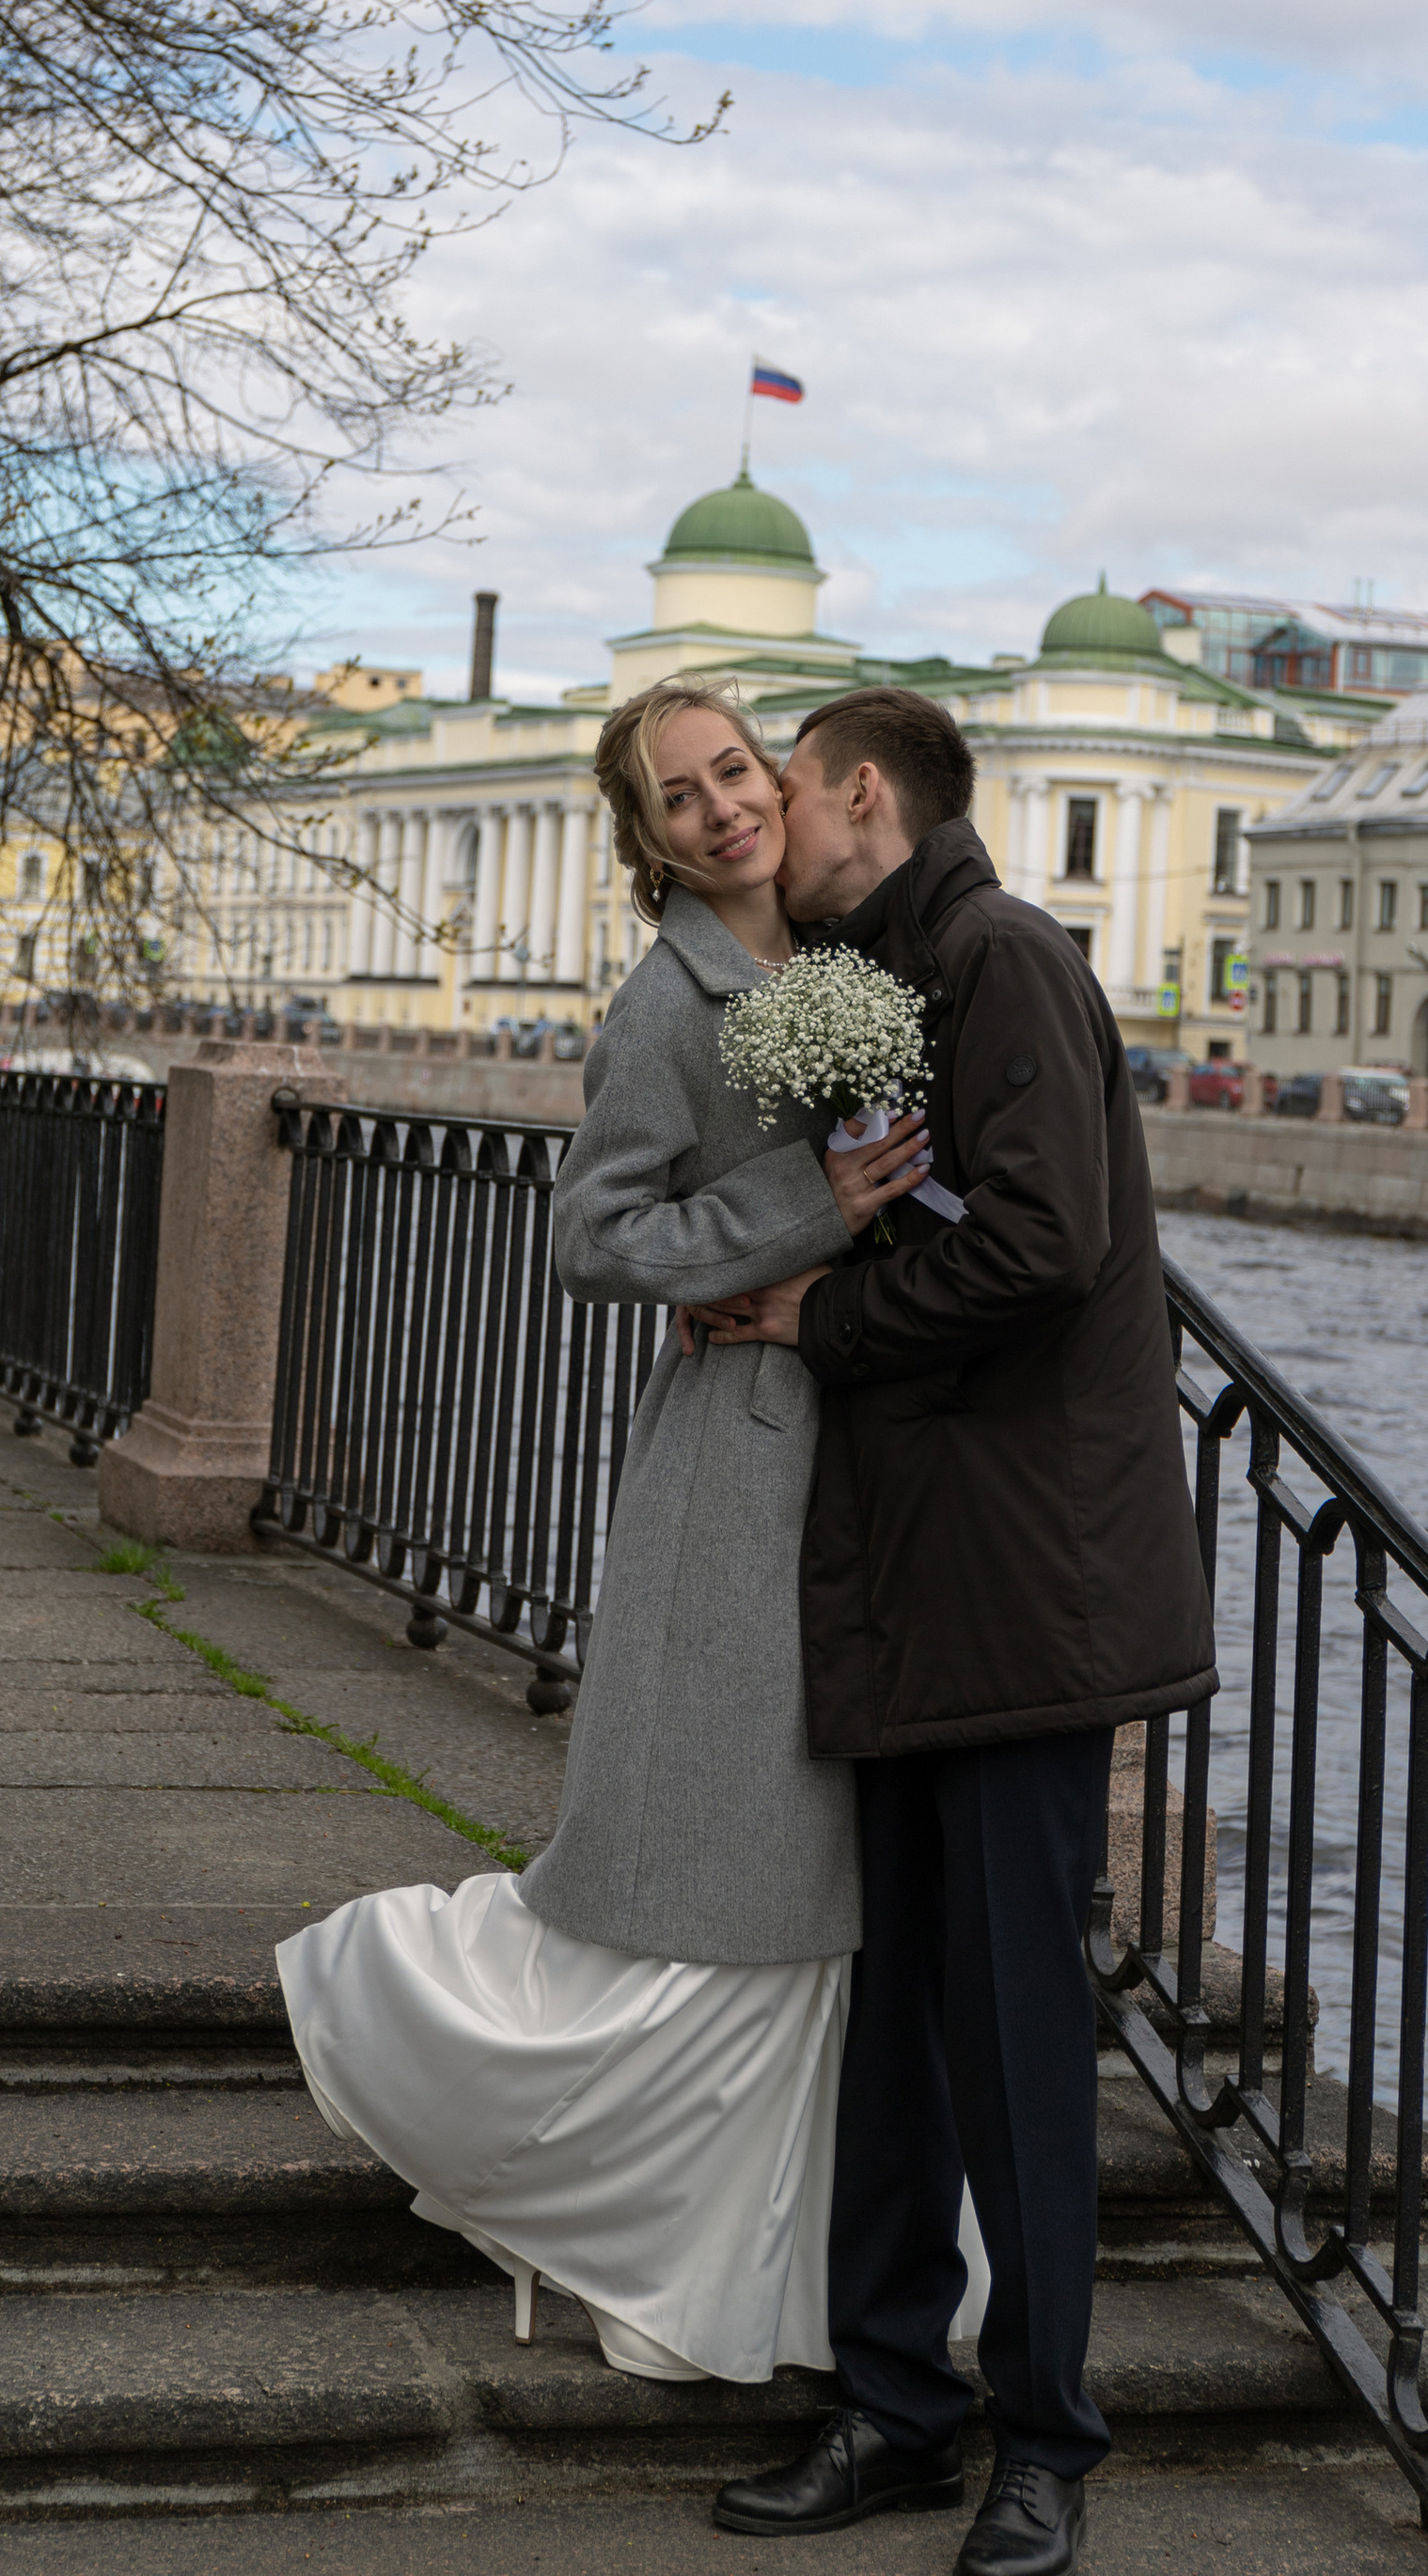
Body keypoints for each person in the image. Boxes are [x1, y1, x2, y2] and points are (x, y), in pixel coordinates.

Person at [275, 677, 932, 2385]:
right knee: (732, 1858)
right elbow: (590, 1237)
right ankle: (523, 2110)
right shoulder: (669, 999)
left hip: (863, 1444)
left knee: (813, 1875)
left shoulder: (851, 963)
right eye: (681, 798)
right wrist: (803, 1209)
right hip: (742, 1471)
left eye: (736, 774)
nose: (722, 810)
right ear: (645, 839)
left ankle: (773, 2269)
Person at [696, 688, 1218, 2575]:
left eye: (782, 786)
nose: (766, 819)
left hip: (1020, 1593)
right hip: (921, 1580)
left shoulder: (995, 957)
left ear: (860, 789)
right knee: (898, 2029)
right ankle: (898, 2410)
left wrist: (812, 1317)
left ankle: (1043, 2442)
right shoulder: (888, 966)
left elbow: (1040, 1241)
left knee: (1003, 2034)